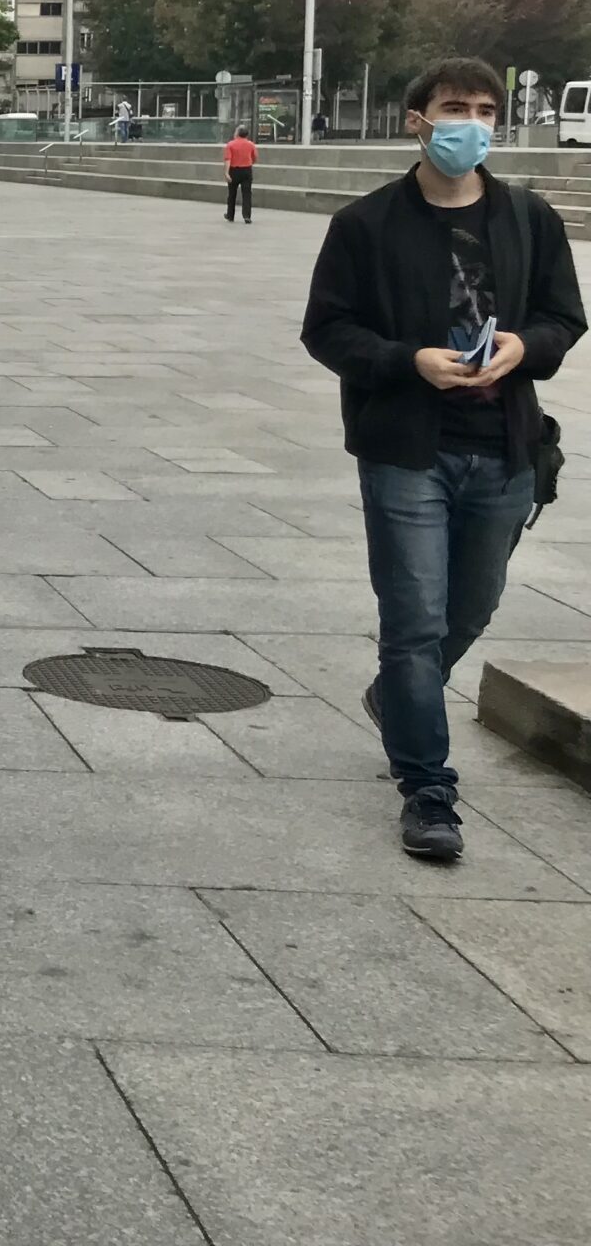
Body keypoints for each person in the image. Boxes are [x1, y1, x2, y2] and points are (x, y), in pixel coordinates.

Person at [301, 57, 583, 861]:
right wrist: (408, 360)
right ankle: (428, 789)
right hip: (406, 450)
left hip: (505, 447)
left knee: (473, 608)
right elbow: (328, 330)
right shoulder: (366, 225)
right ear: (416, 120)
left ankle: (397, 697)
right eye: (454, 107)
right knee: (415, 621)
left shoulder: (530, 220)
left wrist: (526, 346)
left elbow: (565, 318)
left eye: (486, 110)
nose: (471, 122)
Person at [225, 122, 258, 224]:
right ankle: (247, 215)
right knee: (247, 194)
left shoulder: (230, 145)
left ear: (237, 133)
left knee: (232, 194)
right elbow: (255, 157)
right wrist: (249, 163)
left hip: (234, 170)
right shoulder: (251, 145)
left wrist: (226, 173)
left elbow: (227, 159)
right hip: (246, 170)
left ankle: (230, 215)